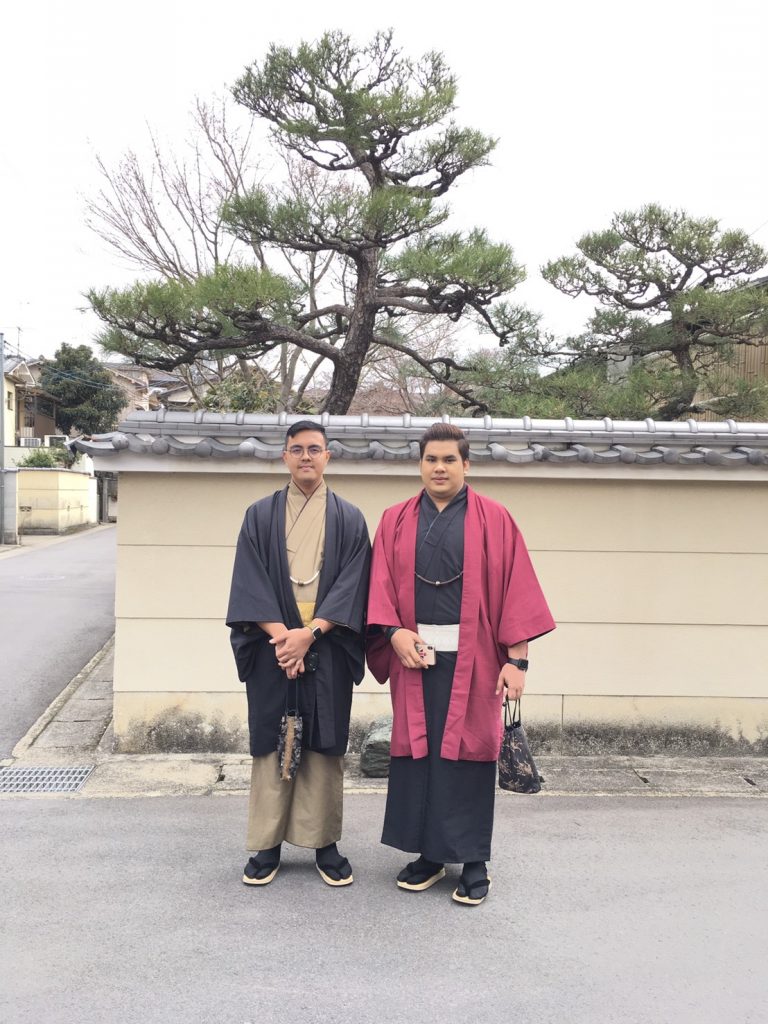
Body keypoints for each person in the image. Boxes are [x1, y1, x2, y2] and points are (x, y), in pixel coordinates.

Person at [367, 422, 555, 906]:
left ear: (466, 465)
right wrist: (392, 633)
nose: (440, 468)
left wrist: (517, 662)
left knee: (469, 753)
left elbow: (516, 590)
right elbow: (379, 585)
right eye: (431, 459)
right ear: (420, 464)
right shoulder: (394, 520)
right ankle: (429, 854)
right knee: (420, 754)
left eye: (449, 459)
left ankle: (473, 861)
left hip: (475, 660)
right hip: (413, 658)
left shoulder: (495, 518)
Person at [227, 420, 370, 888]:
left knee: (325, 742)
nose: (306, 456)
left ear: (328, 456)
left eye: (314, 449)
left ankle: (323, 842)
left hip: (326, 642)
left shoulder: (350, 519)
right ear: (285, 456)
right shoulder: (259, 515)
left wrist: (310, 633)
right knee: (272, 740)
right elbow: (249, 581)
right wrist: (283, 638)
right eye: (297, 449)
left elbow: (354, 584)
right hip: (273, 644)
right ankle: (267, 843)